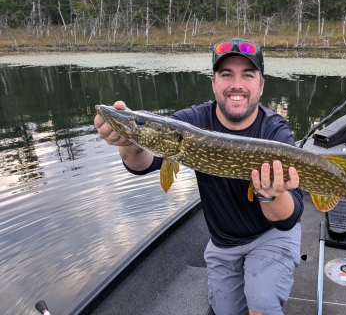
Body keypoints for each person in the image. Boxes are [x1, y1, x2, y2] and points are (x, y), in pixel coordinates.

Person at [94, 38, 304, 315]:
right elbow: (143, 164)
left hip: (271, 234)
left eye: (248, 75)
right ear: (214, 83)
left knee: (261, 307)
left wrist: (269, 193)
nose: (236, 84)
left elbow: (289, 217)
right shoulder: (188, 123)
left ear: (261, 86)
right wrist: (131, 143)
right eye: (226, 74)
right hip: (223, 242)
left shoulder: (275, 130)